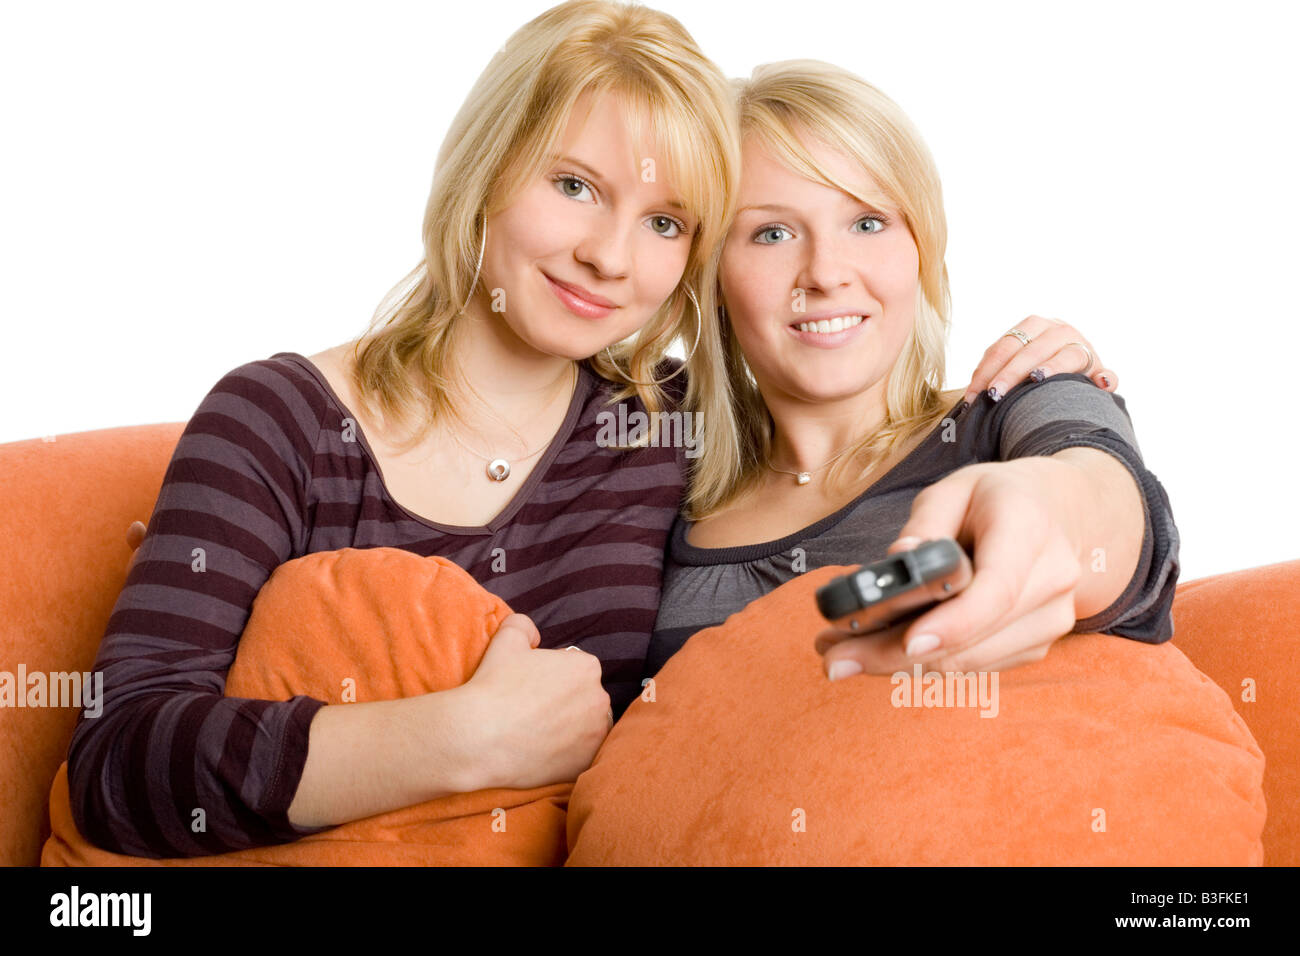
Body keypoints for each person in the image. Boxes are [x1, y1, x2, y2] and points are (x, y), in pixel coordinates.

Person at [70, 3, 1115, 859]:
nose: (611, 256)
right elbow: (114, 760)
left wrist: (1065, 426)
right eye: (573, 186)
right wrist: (450, 741)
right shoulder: (278, 419)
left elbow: (936, 485)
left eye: (664, 222)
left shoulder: (661, 428)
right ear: (485, 170)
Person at [646, 60, 1177, 681]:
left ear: (922, 250)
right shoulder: (656, 465)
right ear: (709, 275)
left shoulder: (1018, 398)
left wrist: (1041, 510)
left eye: (868, 222)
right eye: (772, 233)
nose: (826, 272)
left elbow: (1104, 498)